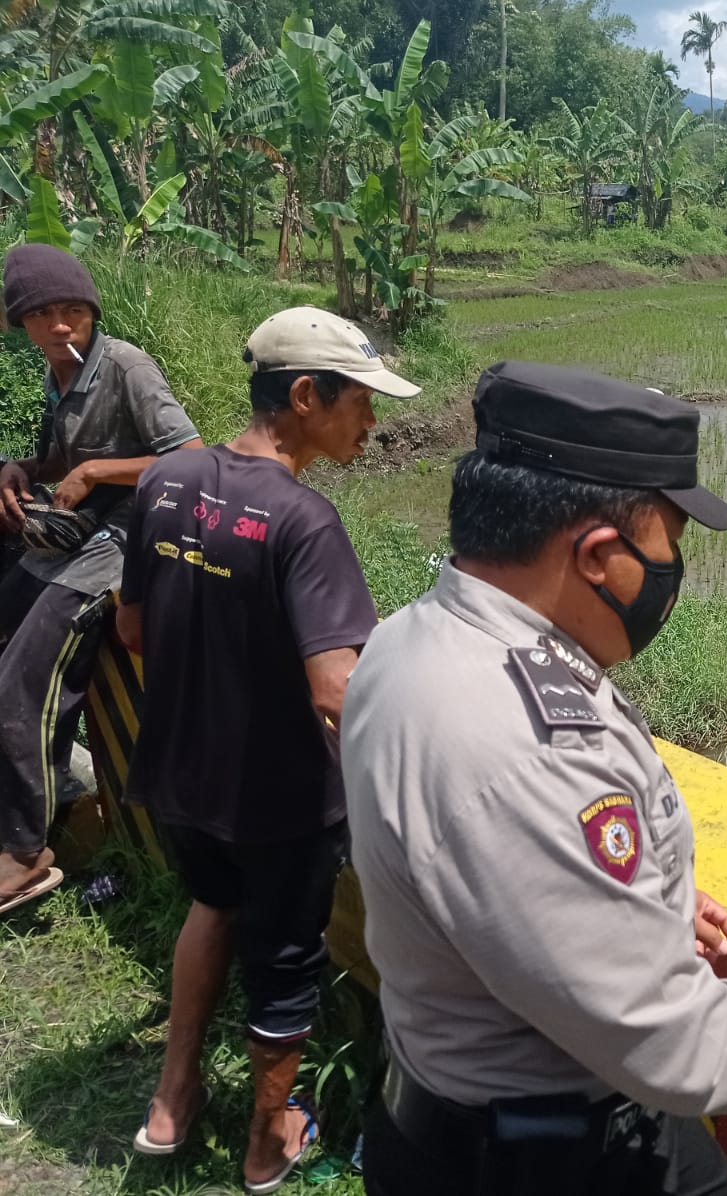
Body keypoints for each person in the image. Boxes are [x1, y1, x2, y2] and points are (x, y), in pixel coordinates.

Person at [342, 362, 727, 1195]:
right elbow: (675, 1043)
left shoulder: (409, 640)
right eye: (668, 543)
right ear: (601, 555)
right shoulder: (531, 748)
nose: (674, 569)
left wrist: (654, 901)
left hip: (463, 1112)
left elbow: (506, 889)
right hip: (554, 1159)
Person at [114, 307, 419, 1194]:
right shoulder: (304, 521)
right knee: (285, 966)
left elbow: (132, 628)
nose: (370, 421)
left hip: (178, 774)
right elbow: (336, 692)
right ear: (303, 395)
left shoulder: (165, 482)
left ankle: (172, 1103)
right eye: (358, 401)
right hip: (276, 797)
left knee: (211, 907)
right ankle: (265, 1141)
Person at [0, 243, 202, 914]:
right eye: (45, 315)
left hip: (132, 536)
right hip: (82, 528)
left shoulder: (124, 365)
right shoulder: (61, 374)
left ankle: (26, 852)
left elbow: (193, 460)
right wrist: (20, 469)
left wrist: (96, 474)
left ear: (92, 313)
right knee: (8, 623)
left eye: (74, 311)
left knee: (30, 670)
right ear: (20, 324)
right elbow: (61, 458)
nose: (62, 326)